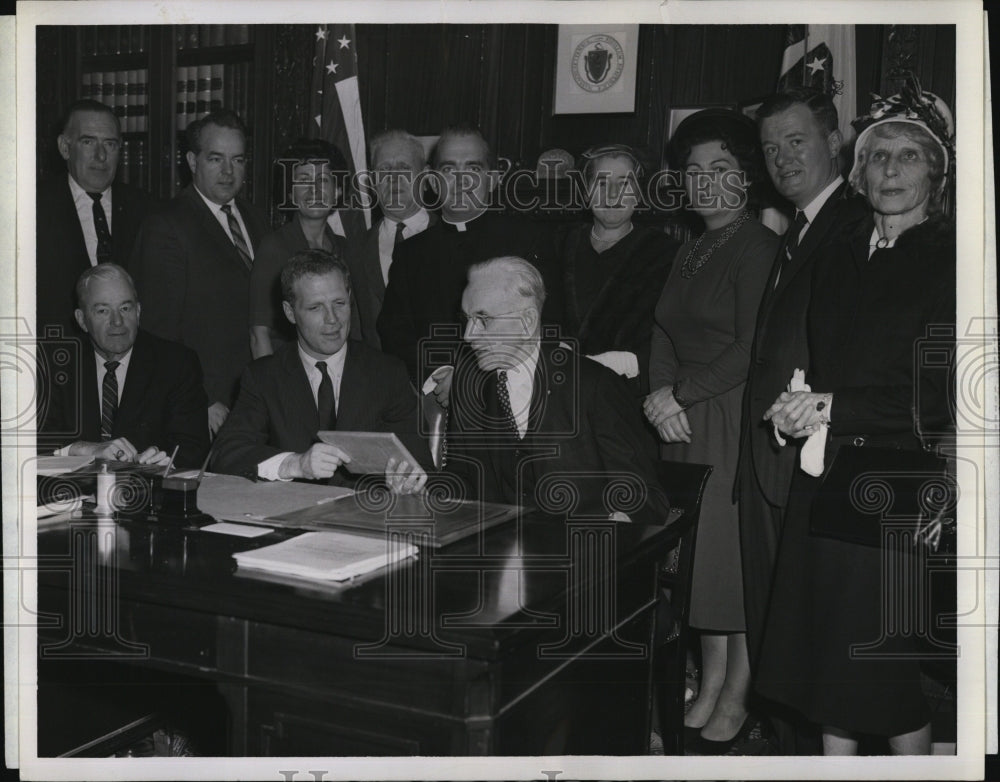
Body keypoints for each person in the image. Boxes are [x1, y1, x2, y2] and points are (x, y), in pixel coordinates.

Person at [755, 80, 955, 756]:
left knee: (883, 677)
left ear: (936, 171)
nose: (890, 170)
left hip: (896, 482)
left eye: (908, 156)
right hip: (826, 475)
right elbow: (826, 364)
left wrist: (831, 407)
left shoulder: (952, 260)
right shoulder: (839, 257)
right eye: (876, 157)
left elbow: (938, 397)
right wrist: (798, 403)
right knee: (826, 674)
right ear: (858, 171)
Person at [735, 88, 869, 753]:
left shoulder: (854, 221)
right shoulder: (798, 225)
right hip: (771, 458)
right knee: (778, 629)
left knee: (806, 634)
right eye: (770, 147)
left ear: (833, 140)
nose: (783, 158)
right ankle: (790, 752)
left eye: (796, 141)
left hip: (810, 458)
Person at [644, 109, 778, 752]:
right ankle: (717, 675)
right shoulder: (691, 246)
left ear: (747, 176)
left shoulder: (758, 246)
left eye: (720, 169)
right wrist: (656, 395)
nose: (705, 183)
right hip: (680, 417)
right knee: (697, 563)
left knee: (729, 561)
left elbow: (754, 348)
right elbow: (663, 330)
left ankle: (741, 691)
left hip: (727, 416)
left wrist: (680, 393)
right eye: (694, 171)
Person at [445, 256, 669, 526]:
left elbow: (645, 497)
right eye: (466, 319)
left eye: (483, 320)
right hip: (500, 553)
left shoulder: (593, 386)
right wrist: (422, 488)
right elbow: (464, 479)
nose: (469, 335)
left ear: (527, 321)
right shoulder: (470, 386)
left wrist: (619, 519)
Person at [212, 249, 429, 491]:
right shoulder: (264, 377)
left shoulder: (387, 373)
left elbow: (420, 465)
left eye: (339, 303)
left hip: (366, 519)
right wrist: (295, 464)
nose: (332, 319)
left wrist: (408, 485)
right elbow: (226, 454)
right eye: (315, 308)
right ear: (289, 312)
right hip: (292, 520)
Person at [376, 124, 559, 403]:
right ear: (433, 181)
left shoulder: (529, 240)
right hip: (433, 398)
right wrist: (440, 373)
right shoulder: (411, 253)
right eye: (449, 170)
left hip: (514, 396)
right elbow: (395, 333)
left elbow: (547, 326)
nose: (461, 181)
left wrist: (474, 378)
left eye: (472, 169)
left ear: (493, 179)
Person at [131, 110, 268, 437]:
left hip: (259, 400)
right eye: (216, 159)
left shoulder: (257, 219)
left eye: (237, 160)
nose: (227, 171)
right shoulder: (166, 226)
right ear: (192, 161)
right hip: (207, 407)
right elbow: (159, 331)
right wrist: (202, 399)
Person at [40, 264, 209, 470]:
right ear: (82, 320)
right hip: (69, 495)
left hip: (144, 493)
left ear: (138, 312)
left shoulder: (176, 363)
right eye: (103, 311)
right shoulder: (55, 365)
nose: (117, 321)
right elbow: (29, 442)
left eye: (125, 308)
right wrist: (83, 449)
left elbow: (192, 447)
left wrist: (163, 460)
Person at [556, 143, 678, 395]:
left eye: (624, 184)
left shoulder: (665, 253)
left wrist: (626, 362)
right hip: (560, 386)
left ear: (639, 192)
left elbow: (672, 335)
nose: (612, 195)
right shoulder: (559, 244)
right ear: (586, 191)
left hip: (627, 393)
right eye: (601, 183)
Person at [37, 99, 157, 336]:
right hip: (58, 354)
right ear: (64, 147)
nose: (100, 156)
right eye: (88, 142)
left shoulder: (147, 209)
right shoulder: (32, 207)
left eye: (109, 144)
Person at [249, 139, 358, 358]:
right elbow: (259, 334)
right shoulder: (274, 247)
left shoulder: (346, 249)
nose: (314, 190)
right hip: (288, 374)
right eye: (303, 180)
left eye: (323, 180)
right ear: (290, 194)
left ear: (337, 190)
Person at [348, 129, 436, 349]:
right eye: (384, 169)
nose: (394, 179)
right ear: (372, 182)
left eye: (404, 168)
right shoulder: (355, 250)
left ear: (425, 178)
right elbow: (355, 333)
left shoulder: (451, 236)